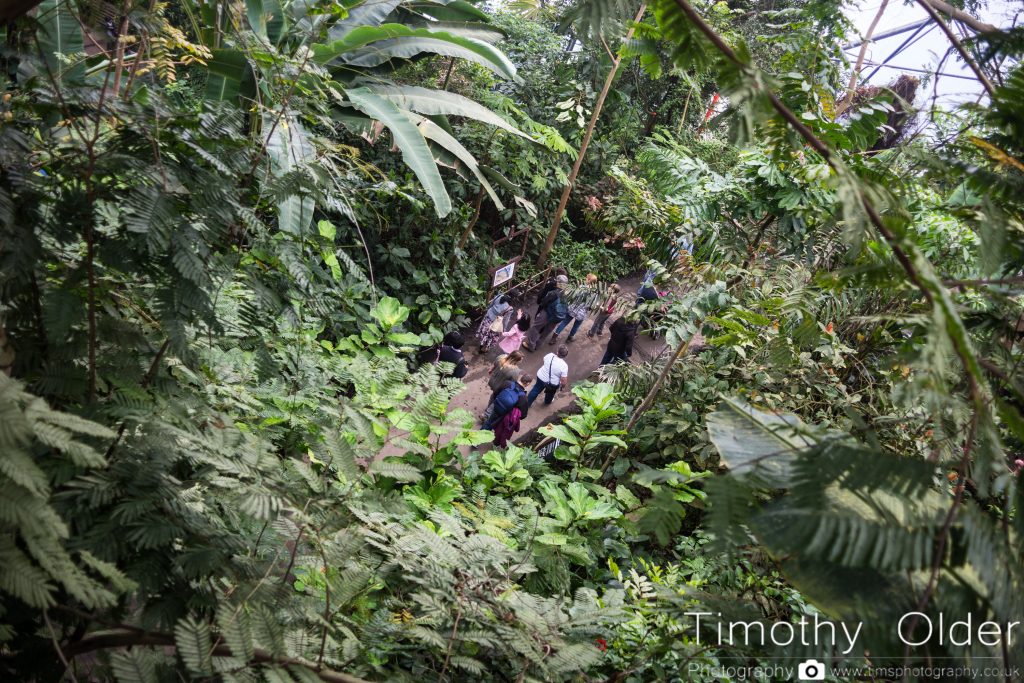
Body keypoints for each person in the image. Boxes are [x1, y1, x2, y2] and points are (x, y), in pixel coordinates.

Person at [549, 273, 599, 345]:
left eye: (586, 278)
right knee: (576, 326)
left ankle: (553, 338)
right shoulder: (595, 293)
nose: (585, 279)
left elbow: (573, 296)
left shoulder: (581, 287)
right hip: (582, 313)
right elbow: (592, 305)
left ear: (588, 280)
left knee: (564, 322)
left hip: (573, 309)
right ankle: (570, 338)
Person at [483, 374, 532, 443]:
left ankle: (478, 438)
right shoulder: (523, 397)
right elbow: (523, 415)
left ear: (521, 378)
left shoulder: (507, 383)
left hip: (497, 406)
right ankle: (496, 442)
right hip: (506, 415)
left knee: (489, 422)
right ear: (528, 383)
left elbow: (496, 392)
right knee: (500, 429)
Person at [524, 275, 568, 351]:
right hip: (557, 317)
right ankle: (538, 346)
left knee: (536, 327)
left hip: (547, 313)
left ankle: (530, 345)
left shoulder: (553, 293)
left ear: (558, 283)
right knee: (547, 331)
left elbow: (544, 302)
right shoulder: (567, 293)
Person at [481, 351, 524, 423]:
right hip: (500, 387)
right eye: (521, 359)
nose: (521, 361)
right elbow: (512, 382)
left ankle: (488, 411)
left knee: (494, 395)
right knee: (497, 398)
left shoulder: (501, 357)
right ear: (516, 360)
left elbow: (494, 365)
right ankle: (487, 414)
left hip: (493, 381)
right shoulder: (515, 371)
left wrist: (491, 370)